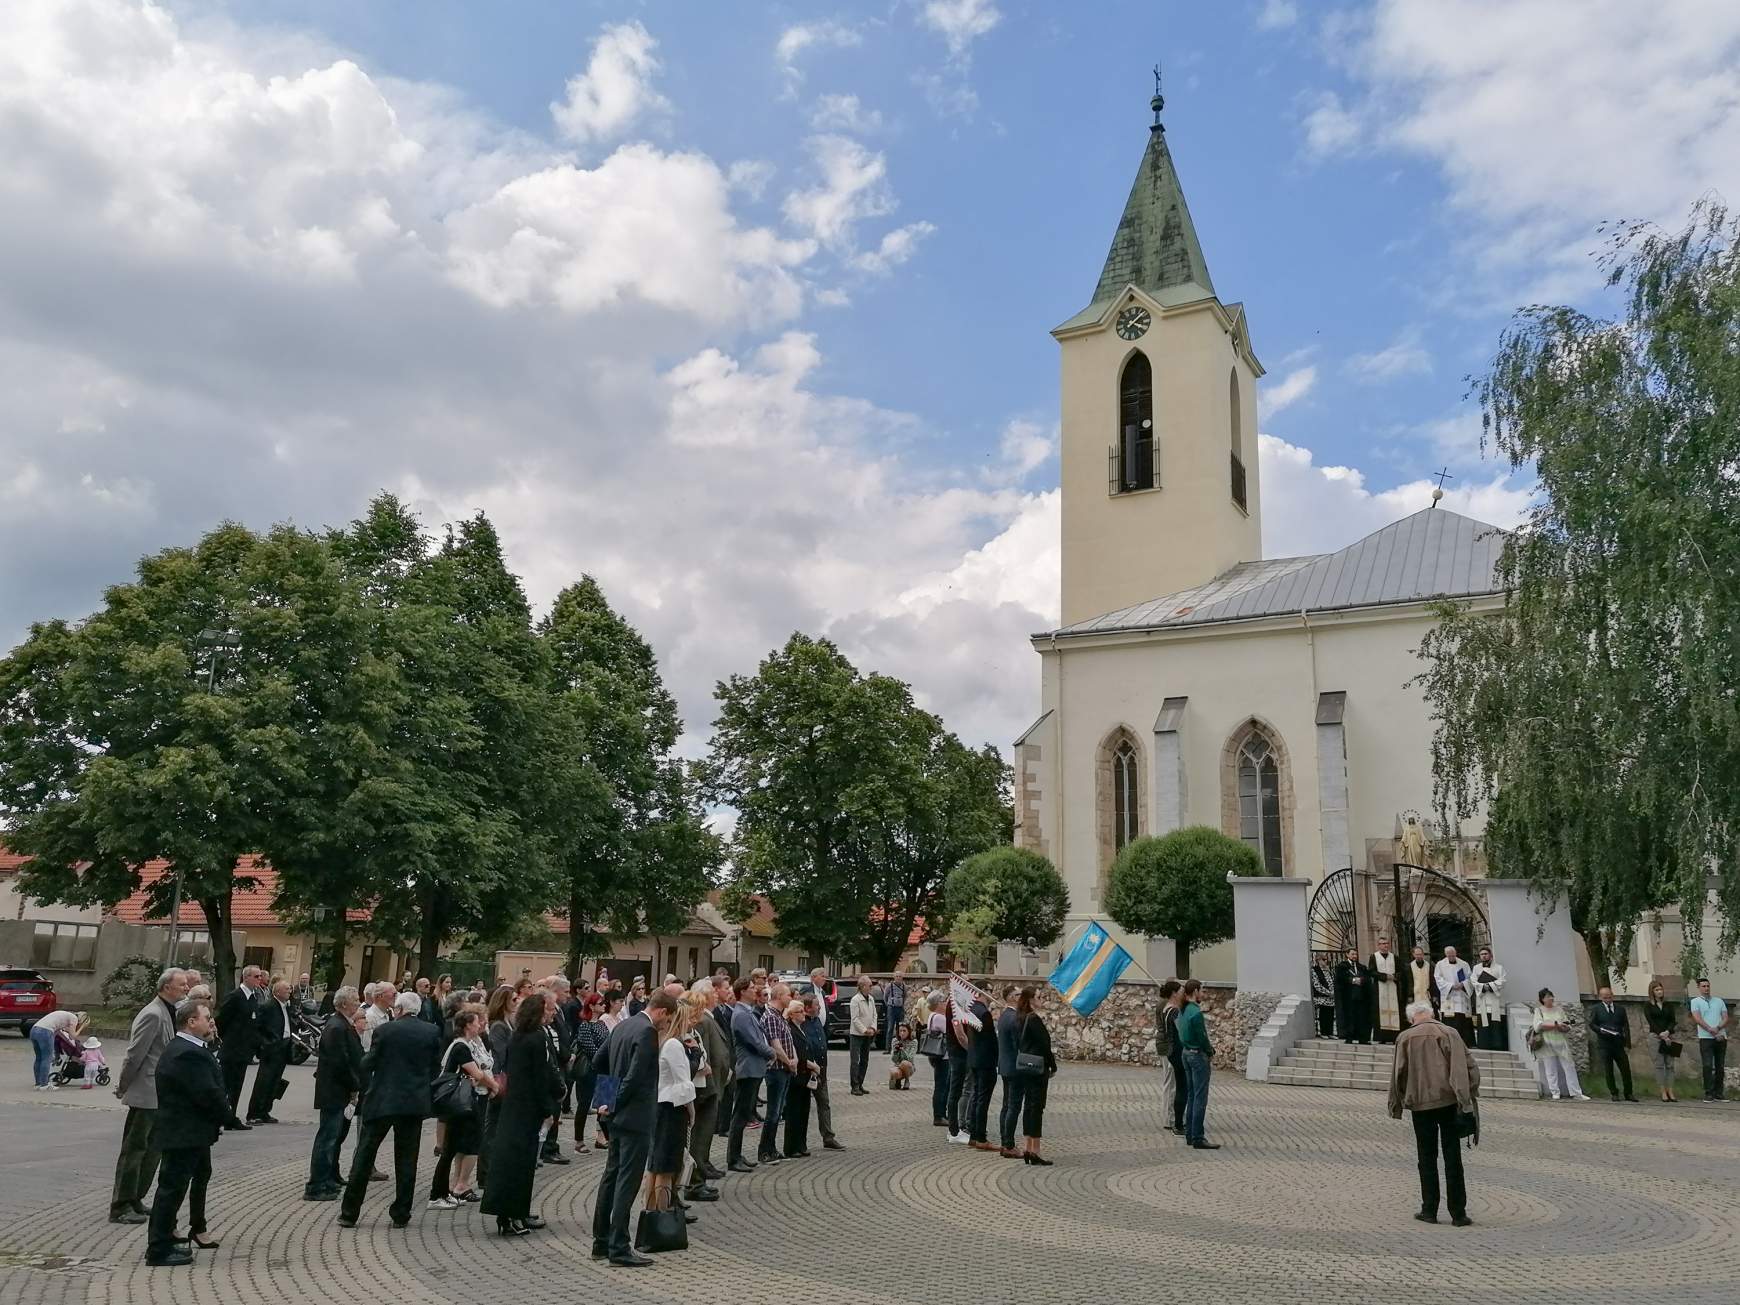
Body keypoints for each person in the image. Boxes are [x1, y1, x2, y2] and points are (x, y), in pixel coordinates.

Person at [338, 991, 442, 1230]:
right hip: (413, 1103)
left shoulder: (385, 1031)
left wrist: (364, 1079)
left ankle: (349, 1213)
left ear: (399, 1009)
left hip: (383, 1100)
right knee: (407, 1159)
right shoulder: (431, 1032)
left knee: (365, 1155)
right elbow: (434, 1068)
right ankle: (401, 1213)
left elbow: (369, 1063)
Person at [591, 989, 676, 1268]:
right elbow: (636, 1076)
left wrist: (605, 1101)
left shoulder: (622, 1025)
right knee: (627, 1181)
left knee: (611, 1175)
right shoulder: (647, 1032)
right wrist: (613, 1104)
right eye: (667, 1020)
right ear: (661, 1011)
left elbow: (599, 1061)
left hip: (615, 1118)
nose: (665, 1026)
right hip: (634, 1117)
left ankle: (600, 1242)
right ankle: (618, 1246)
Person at [145, 999, 227, 1266]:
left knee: (185, 1182)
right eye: (206, 1017)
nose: (211, 1021)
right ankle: (159, 1248)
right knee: (171, 1189)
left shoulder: (189, 1048)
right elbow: (207, 1093)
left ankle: (174, 1235)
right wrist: (228, 1117)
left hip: (192, 1132)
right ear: (191, 1022)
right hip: (183, 1133)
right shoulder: (186, 1052)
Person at [1387, 999, 1479, 1226]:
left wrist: (1396, 1104)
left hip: (1420, 1105)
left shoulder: (1405, 1037)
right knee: (1453, 1157)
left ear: (1411, 1019)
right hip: (1448, 1102)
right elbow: (1467, 1067)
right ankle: (1458, 1213)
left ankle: (1429, 1210)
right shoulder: (1449, 1033)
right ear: (1432, 1014)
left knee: (1426, 1158)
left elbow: (1397, 1073)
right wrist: (1466, 1098)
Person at [111, 967, 188, 1224]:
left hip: (162, 1094)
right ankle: (121, 1204)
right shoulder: (153, 1013)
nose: (186, 988)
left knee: (153, 1150)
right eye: (182, 985)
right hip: (145, 1092)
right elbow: (135, 1054)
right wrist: (123, 1085)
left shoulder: (171, 1011)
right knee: (135, 1150)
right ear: (166, 987)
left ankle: (136, 1198)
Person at [481, 991, 560, 1235]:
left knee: (520, 1163)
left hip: (516, 1105)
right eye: (548, 1009)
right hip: (526, 1107)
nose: (552, 1014)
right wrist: (548, 1108)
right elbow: (539, 1077)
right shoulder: (534, 1038)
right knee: (519, 1163)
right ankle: (511, 1215)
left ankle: (518, 1212)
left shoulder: (521, 1035)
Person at [429, 1008, 497, 1209]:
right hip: (458, 1104)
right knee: (449, 1150)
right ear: (467, 1025)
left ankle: (444, 1192)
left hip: (462, 1102)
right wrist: (489, 1083)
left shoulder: (467, 1045)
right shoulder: (460, 1047)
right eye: (477, 1022)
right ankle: (436, 1194)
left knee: (452, 1148)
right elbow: (476, 1074)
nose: (480, 1025)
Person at [644, 995, 698, 1237]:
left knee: (656, 1167)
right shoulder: (674, 1045)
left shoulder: (663, 1041)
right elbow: (683, 1082)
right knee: (666, 1168)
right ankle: (662, 1220)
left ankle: (651, 1214)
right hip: (671, 1107)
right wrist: (691, 1107)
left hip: (661, 1105)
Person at [306, 986, 364, 1201]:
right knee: (327, 1138)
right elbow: (340, 1062)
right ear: (343, 1004)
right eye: (355, 1000)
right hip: (334, 1091)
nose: (358, 1004)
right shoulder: (337, 1027)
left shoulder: (341, 1025)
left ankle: (328, 1178)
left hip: (337, 1089)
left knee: (333, 1136)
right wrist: (354, 1084)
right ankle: (317, 1184)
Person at [683, 983, 728, 1201]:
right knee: (698, 1140)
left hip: (709, 1087)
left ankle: (697, 1181)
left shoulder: (701, 1022)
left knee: (702, 1139)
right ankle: (694, 1184)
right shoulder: (699, 1024)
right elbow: (705, 1057)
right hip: (704, 1089)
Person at [726, 976, 772, 1172]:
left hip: (754, 1068)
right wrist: (772, 1053)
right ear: (742, 991)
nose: (756, 991)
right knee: (740, 1115)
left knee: (743, 1114)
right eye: (752, 988)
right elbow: (753, 1041)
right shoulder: (742, 1014)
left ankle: (737, 1154)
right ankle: (733, 1157)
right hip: (748, 1069)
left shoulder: (748, 1012)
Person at [215, 965, 267, 1128]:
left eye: (260, 976)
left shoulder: (252, 997)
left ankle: (231, 1117)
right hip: (232, 1049)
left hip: (245, 1050)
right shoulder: (235, 997)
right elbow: (222, 1020)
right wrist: (228, 1039)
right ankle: (219, 1117)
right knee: (226, 1085)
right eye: (256, 976)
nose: (260, 979)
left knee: (237, 1085)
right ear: (246, 978)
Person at [477, 985, 518, 1186]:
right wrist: (496, 1083)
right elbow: (498, 1057)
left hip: (505, 1081)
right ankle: (485, 1174)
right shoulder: (499, 1027)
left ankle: (491, 1170)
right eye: (513, 999)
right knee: (492, 1129)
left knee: (496, 1128)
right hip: (500, 1083)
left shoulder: (508, 1024)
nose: (516, 1003)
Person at [1011, 985, 1057, 1165]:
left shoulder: (1020, 1018)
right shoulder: (1033, 1019)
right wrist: (1053, 1066)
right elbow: (1045, 1045)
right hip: (1038, 1069)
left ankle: (1027, 1147)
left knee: (1029, 1106)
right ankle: (1035, 1150)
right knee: (1036, 1107)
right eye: (1038, 997)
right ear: (1031, 1000)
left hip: (1025, 1067)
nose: (1041, 1000)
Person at [757, 982, 798, 1164]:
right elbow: (776, 1045)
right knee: (773, 1113)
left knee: (779, 1110)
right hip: (776, 1070)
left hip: (785, 1069)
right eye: (788, 995)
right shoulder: (771, 1017)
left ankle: (772, 1148)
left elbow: (787, 1040)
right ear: (780, 996)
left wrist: (794, 1059)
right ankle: (765, 1151)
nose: (791, 998)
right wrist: (788, 1062)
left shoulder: (780, 1016)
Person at [245, 977, 296, 1125]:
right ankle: (254, 1113)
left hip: (284, 1047)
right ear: (278, 991)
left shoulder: (286, 1006)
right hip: (271, 1048)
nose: (289, 991)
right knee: (263, 1082)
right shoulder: (268, 1006)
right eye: (286, 989)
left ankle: (265, 1110)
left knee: (274, 1082)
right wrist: (264, 1044)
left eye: (290, 989)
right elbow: (256, 1028)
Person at [805, 969, 843, 1148]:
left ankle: (828, 1136)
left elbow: (824, 1022)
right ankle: (799, 1140)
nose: (825, 978)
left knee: (824, 1102)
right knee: (804, 1105)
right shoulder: (807, 993)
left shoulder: (823, 995)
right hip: (808, 1066)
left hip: (822, 1064)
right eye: (822, 975)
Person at [1177, 979, 1217, 1150]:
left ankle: (1190, 1134)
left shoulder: (1183, 1011)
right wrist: (1210, 1051)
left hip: (1185, 1053)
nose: (1203, 994)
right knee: (1200, 1096)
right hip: (1197, 1055)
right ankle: (1198, 1136)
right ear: (1194, 992)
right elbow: (1202, 1037)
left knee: (1192, 1094)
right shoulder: (1195, 1013)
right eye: (1202, 991)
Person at [1529, 989, 1589, 1101]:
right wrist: (1555, 1025)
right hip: (1547, 1042)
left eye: (1551, 996)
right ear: (1542, 999)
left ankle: (1576, 1092)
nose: (1550, 998)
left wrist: (1564, 1027)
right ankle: (1555, 1092)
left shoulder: (1559, 1010)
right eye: (1547, 997)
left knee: (1569, 1066)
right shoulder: (1539, 1011)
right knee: (1550, 1068)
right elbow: (1538, 1026)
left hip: (1561, 1041)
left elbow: (1567, 1024)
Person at [782, 997, 819, 1158]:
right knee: (794, 1112)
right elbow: (798, 1053)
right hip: (797, 1076)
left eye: (803, 1010)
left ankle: (801, 1144)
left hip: (806, 1076)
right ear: (791, 1015)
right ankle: (791, 1147)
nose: (803, 1014)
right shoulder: (790, 1029)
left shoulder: (801, 1028)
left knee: (804, 1112)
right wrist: (813, 1066)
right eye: (799, 1011)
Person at [1589, 985, 1637, 1102]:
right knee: (1608, 1069)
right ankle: (1614, 1092)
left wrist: (1627, 1043)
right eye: (1605, 998)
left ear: (1612, 996)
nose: (1608, 1000)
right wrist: (1600, 1030)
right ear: (1601, 997)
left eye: (1609, 997)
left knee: (1625, 1069)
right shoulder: (1596, 1009)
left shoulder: (1620, 1009)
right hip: (1605, 1044)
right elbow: (1592, 1024)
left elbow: (1625, 1026)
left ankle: (1628, 1093)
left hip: (1618, 1043)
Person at [1688, 977, 1729, 1102]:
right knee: (1707, 1065)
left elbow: (1725, 1017)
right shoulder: (1695, 1001)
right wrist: (1710, 1029)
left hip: (1720, 1036)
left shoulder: (1719, 1001)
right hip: (1706, 1037)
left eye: (1707, 986)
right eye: (1703, 986)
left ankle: (1719, 1093)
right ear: (1699, 988)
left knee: (1720, 1066)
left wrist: (1718, 1027)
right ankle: (1708, 1093)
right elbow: (1697, 1018)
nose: (1706, 988)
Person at [944, 989, 976, 1144]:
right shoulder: (954, 1005)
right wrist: (972, 1051)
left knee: (956, 1090)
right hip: (958, 1054)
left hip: (958, 1053)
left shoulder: (959, 1004)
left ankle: (954, 1128)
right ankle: (954, 1131)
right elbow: (960, 1034)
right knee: (956, 1090)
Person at [994, 984, 1022, 1157]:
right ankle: (1009, 1144)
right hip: (1014, 1068)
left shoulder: (1004, 1016)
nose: (1021, 997)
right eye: (1018, 994)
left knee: (1007, 1105)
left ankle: (1005, 1141)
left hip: (1005, 1066)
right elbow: (1019, 1044)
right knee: (1013, 1106)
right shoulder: (1013, 1018)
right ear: (1012, 997)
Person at [1643, 981, 1681, 1103]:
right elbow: (1651, 1022)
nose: (1660, 992)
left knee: (1670, 1065)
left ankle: (1670, 1090)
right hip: (1655, 1036)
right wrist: (1661, 1034)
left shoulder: (1669, 1005)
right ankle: (1662, 1091)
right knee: (1659, 1065)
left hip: (1670, 1036)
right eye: (1657, 990)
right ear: (1652, 992)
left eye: (1661, 989)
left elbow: (1673, 1021)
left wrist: (1667, 1032)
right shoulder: (1648, 1006)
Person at [1155, 980, 1184, 1136]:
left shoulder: (1165, 1005)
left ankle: (1169, 1116)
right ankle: (1169, 1118)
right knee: (1171, 1082)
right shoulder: (1167, 1007)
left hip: (1165, 1044)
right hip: (1167, 1046)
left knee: (1170, 1082)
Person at [1434, 947, 1474, 1046]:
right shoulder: (1440, 965)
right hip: (1449, 996)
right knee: (1450, 1019)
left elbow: (1470, 978)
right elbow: (1438, 978)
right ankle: (1449, 1042)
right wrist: (1450, 986)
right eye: (1449, 955)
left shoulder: (1464, 964)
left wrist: (1463, 984)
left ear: (1456, 953)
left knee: (1462, 1018)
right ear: (1445, 954)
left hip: (1461, 995)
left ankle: (1465, 1042)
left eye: (1453, 955)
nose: (1451, 957)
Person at [922, 990, 951, 1127]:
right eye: (943, 1001)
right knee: (942, 1086)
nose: (945, 1003)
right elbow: (949, 1031)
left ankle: (942, 1114)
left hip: (937, 1055)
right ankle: (939, 1115)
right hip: (942, 1056)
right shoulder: (939, 1017)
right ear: (938, 1003)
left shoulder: (933, 1015)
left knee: (943, 1085)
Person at [1470, 948, 1507, 1050]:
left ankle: (1498, 1045)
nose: (1484, 956)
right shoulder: (1476, 968)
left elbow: (1503, 981)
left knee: (1496, 1023)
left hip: (1495, 999)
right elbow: (1473, 981)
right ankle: (1484, 1045)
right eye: (1481, 954)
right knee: (1484, 1022)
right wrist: (1483, 987)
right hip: (1483, 1000)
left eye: (1486, 954)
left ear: (1491, 955)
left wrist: (1490, 986)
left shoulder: (1499, 968)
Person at [1368, 937, 1402, 1044]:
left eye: (1387, 943)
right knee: (1380, 1012)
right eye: (1383, 944)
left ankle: (1394, 1037)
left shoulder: (1394, 957)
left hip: (1392, 987)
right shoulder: (1374, 956)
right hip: (1380, 988)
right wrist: (1384, 976)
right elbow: (1371, 971)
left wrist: (1395, 976)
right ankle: (1381, 1037)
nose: (1385, 945)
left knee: (1394, 1010)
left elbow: (1401, 971)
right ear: (1379, 945)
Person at [1334, 948, 1373, 1044]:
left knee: (1361, 1017)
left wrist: (1362, 980)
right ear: (1347, 955)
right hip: (1348, 997)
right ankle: (1349, 1037)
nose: (1354, 956)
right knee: (1349, 1017)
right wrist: (1352, 980)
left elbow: (1367, 978)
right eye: (1352, 954)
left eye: (1356, 954)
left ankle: (1362, 1038)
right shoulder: (1342, 966)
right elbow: (1340, 979)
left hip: (1361, 997)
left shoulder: (1361, 967)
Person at [848, 974, 878, 1095]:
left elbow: (874, 1015)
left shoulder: (871, 998)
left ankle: (860, 1083)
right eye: (869, 985)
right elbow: (855, 1019)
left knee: (865, 1060)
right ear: (863, 986)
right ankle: (854, 1085)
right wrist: (864, 1030)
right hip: (857, 1034)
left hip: (868, 1034)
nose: (871, 987)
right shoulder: (855, 1000)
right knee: (855, 1060)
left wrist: (873, 1027)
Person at [361, 981, 396, 1051]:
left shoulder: (388, 1014)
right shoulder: (369, 1017)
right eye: (394, 994)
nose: (396, 997)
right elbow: (367, 1047)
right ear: (381, 996)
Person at [1310, 956, 1336, 1039]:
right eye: (1323, 960)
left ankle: (1330, 1032)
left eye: (1326, 960)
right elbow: (1316, 984)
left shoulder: (1328, 970)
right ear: (1318, 960)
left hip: (1331, 997)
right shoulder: (1315, 970)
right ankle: (1323, 1032)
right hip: (1322, 997)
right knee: (1323, 1014)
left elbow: (1332, 981)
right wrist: (1328, 992)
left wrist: (1333, 992)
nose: (1325, 961)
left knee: (1330, 1014)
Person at [1405, 945, 1435, 1016]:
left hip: (1426, 995)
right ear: (1413, 955)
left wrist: (1434, 995)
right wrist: (1410, 995)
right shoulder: (1410, 966)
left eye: (1420, 954)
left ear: (1423, 954)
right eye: (1417, 954)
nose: (1419, 956)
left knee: (1428, 1015)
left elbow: (1432, 980)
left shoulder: (1429, 965)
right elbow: (1408, 982)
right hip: (1415, 995)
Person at [884, 968, 906, 1053]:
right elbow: (885, 997)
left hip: (900, 1009)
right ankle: (887, 1048)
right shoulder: (890, 986)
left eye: (900, 976)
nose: (898, 978)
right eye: (896, 976)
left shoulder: (904, 986)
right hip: (891, 1008)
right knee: (890, 1028)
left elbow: (905, 996)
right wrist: (889, 1004)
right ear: (894, 977)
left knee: (900, 1028)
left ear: (902, 977)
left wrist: (901, 1003)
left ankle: (899, 1047)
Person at [888, 1023, 915, 1089]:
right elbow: (894, 1060)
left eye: (904, 1031)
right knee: (894, 1073)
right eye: (900, 1031)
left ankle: (907, 1081)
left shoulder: (913, 1042)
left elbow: (910, 1058)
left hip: (909, 1067)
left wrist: (902, 1050)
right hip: (897, 1065)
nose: (902, 1033)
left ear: (909, 1032)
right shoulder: (895, 1040)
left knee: (904, 1063)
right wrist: (895, 1051)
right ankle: (897, 1080)